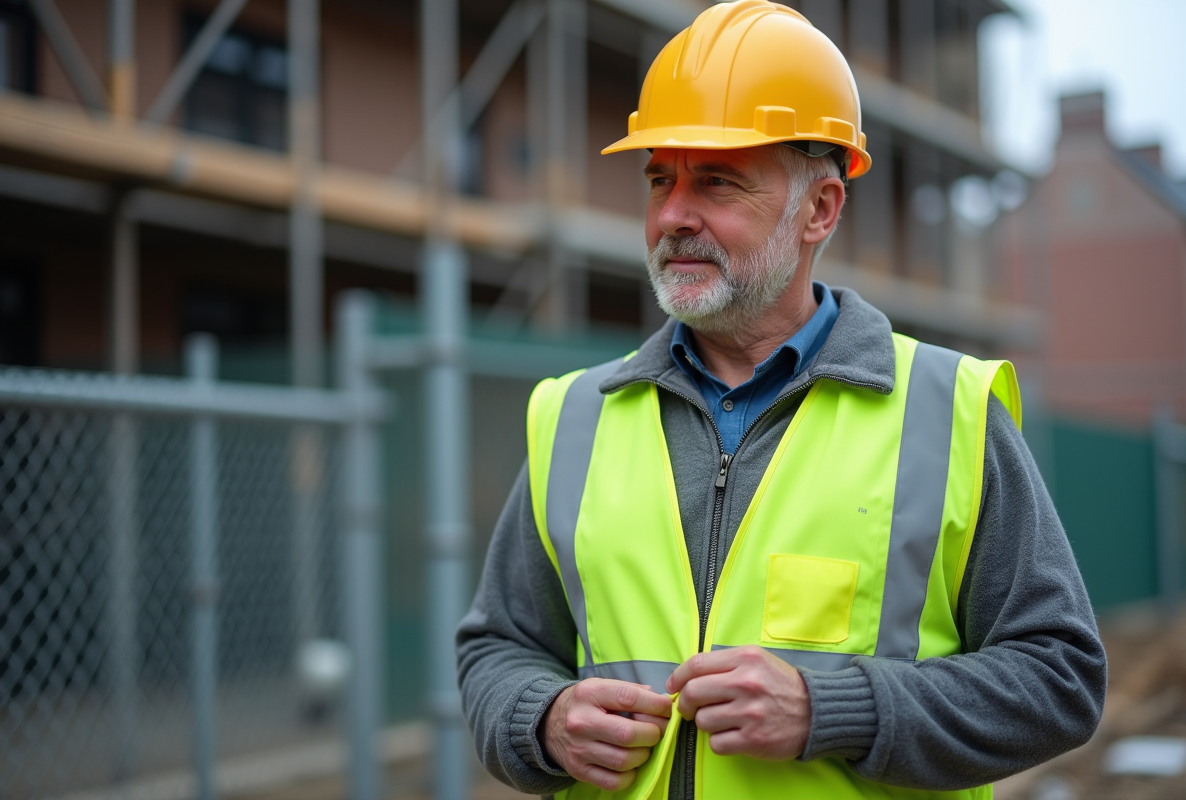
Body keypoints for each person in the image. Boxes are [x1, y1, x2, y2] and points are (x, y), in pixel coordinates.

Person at [456, 2, 1106, 798]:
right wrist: (542, 719)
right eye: (660, 178)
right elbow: (497, 648)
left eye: (717, 182)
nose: (672, 216)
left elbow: (1060, 679)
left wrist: (835, 711)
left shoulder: (949, 410)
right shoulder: (576, 416)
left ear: (820, 209)